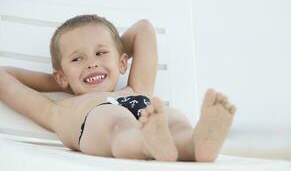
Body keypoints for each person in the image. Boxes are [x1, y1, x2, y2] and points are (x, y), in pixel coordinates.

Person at [0, 14, 236, 162]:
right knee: (118, 126)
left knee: (174, 119)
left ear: (123, 62)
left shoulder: (137, 88)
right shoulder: (56, 111)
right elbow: (2, 77)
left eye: (101, 53)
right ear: (61, 76)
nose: (92, 63)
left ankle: (195, 145)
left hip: (146, 113)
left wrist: (102, 64)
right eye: (77, 59)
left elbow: (143, 28)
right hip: (97, 119)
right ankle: (147, 142)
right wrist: (64, 82)